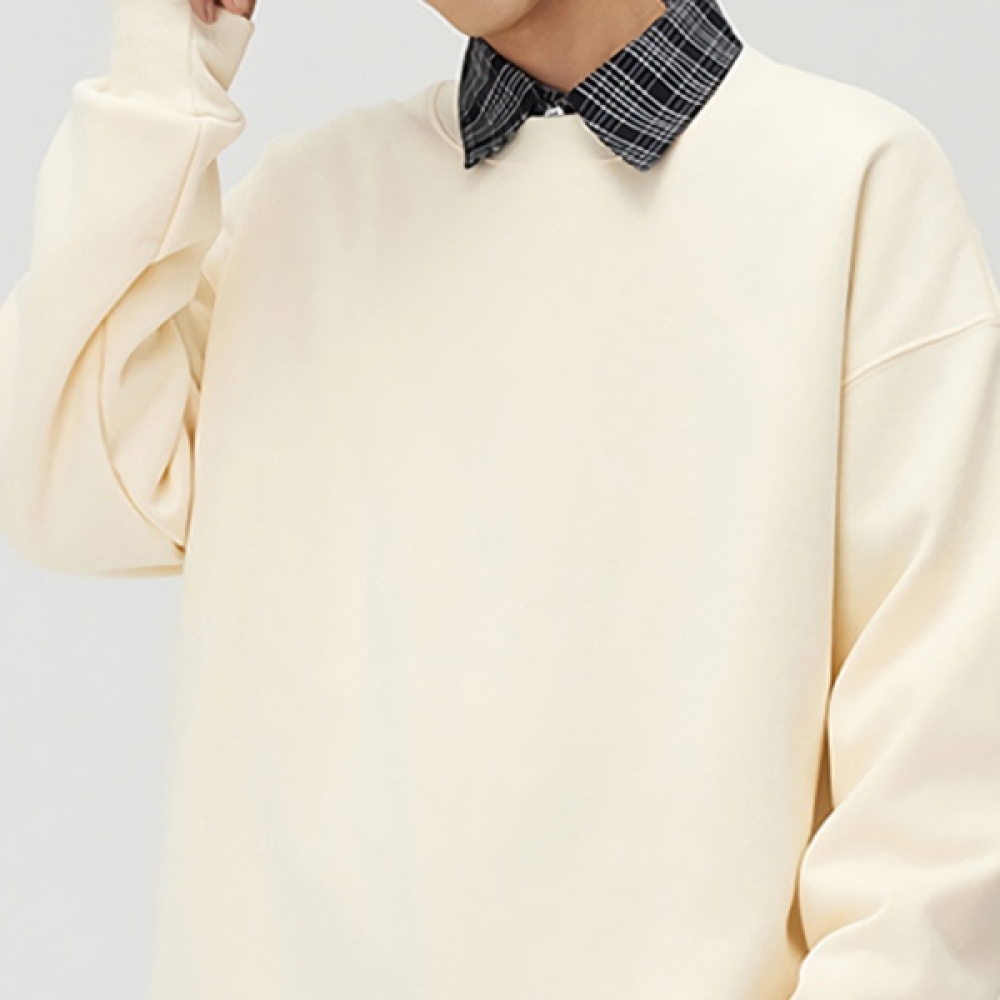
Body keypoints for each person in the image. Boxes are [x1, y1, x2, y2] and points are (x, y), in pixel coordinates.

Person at [1, 0, 998, 996]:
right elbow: (65, 480)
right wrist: (170, 50)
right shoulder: (307, 204)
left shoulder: (848, 186)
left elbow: (930, 827)